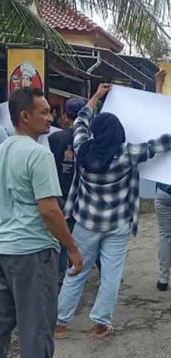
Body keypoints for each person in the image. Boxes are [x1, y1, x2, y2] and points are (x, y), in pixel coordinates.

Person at [55, 84, 171, 339]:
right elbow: (161, 144)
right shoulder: (127, 154)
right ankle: (100, 324)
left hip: (85, 223)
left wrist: (96, 96)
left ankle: (60, 323)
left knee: (76, 271)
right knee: (111, 275)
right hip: (117, 225)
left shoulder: (82, 147)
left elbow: (81, 120)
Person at [0, 87, 83, 357]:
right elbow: (49, 210)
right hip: (32, 252)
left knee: (2, 324)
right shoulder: (39, 155)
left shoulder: (3, 150)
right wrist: (71, 246)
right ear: (25, 116)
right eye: (45, 112)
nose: (51, 118)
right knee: (36, 330)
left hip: (4, 249)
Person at [49, 97, 87, 284]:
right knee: (86, 235)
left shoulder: (54, 138)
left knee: (62, 236)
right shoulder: (90, 139)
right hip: (82, 195)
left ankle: (61, 276)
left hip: (60, 193)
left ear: (64, 115)